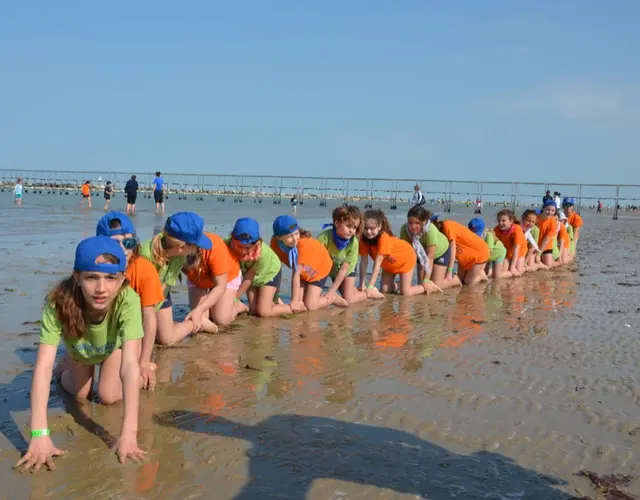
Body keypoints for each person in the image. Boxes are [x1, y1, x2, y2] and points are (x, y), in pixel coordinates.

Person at [15, 236, 146, 471]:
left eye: (110, 278)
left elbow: (129, 366)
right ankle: (67, 366)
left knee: (109, 396)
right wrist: (39, 433)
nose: (101, 288)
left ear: (122, 279)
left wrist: (129, 433)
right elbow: (43, 367)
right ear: (77, 277)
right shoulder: (58, 303)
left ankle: (86, 365)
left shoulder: (129, 300)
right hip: (81, 352)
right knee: (80, 394)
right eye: (92, 277)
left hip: (111, 350)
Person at [96, 212, 165, 390]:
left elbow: (149, 319)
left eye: (128, 242)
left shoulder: (144, 270)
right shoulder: (91, 268)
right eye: (114, 243)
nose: (123, 249)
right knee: (79, 392)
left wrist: (144, 361)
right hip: (103, 331)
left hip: (130, 332)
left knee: (108, 394)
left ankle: (144, 371)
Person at [139, 212, 211, 345]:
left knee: (167, 339)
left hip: (161, 295)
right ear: (181, 247)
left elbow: (165, 287)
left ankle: (194, 323)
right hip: (142, 299)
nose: (197, 249)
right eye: (196, 245)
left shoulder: (179, 257)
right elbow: (140, 295)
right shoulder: (146, 255)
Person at [271, 215, 348, 312]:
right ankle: (312, 295)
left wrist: (294, 301)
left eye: (296, 234)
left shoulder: (303, 245)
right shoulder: (274, 244)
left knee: (310, 306)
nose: (295, 239)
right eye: (290, 236)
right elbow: (276, 269)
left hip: (319, 268)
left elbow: (296, 274)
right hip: (303, 271)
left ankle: (332, 298)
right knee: (300, 304)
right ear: (278, 238)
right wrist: (275, 294)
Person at [359, 209, 441, 296]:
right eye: (366, 228)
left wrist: (370, 286)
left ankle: (427, 286)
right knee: (385, 289)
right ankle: (400, 284)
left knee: (406, 293)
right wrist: (362, 284)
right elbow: (364, 262)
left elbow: (377, 263)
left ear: (379, 226)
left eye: (372, 228)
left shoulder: (383, 238)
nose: (368, 232)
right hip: (389, 264)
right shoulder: (363, 239)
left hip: (406, 259)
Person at [182, 228, 249, 332]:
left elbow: (220, 286)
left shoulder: (216, 248)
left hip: (225, 277)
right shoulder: (176, 249)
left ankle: (237, 306)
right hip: (199, 279)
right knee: (202, 317)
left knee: (221, 319)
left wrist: (199, 310)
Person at [227, 218, 293, 317]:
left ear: (256, 243)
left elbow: (248, 278)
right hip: (251, 276)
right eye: (239, 246)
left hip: (269, 272)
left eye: (248, 248)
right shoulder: (227, 244)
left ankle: (292, 307)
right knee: (254, 310)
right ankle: (272, 301)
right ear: (232, 239)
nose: (243, 251)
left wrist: (235, 298)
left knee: (263, 312)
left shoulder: (261, 254)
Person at [317, 206, 384, 304]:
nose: (352, 230)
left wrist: (331, 291)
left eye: (354, 227)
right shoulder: (324, 237)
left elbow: (344, 270)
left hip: (347, 270)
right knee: (325, 293)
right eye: (348, 226)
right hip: (331, 269)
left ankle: (370, 293)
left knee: (349, 299)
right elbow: (317, 262)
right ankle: (346, 293)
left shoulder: (353, 243)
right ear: (336, 223)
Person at [399, 206, 460, 290]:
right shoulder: (404, 230)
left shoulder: (430, 230)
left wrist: (426, 279)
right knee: (421, 284)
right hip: (421, 252)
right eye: (410, 222)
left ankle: (455, 280)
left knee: (437, 284)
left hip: (440, 252)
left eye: (417, 223)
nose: (413, 226)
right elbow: (406, 254)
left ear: (423, 222)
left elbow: (430, 256)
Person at [432, 215, 490, 285]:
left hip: (479, 252)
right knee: (460, 280)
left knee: (468, 283)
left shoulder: (447, 226)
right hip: (464, 256)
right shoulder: (437, 233)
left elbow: (452, 250)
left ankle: (481, 276)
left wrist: (449, 272)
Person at [493, 209, 527, 276]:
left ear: (511, 221)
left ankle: (525, 268)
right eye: (499, 220)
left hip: (520, 251)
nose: (500, 223)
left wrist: (512, 267)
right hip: (508, 252)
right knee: (503, 270)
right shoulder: (496, 229)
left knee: (518, 270)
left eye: (503, 221)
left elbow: (516, 249)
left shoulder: (517, 229)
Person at [537, 200, 559, 268]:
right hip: (535, 245)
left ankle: (558, 262)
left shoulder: (553, 222)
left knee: (548, 266)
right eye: (548, 209)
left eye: (552, 210)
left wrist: (539, 254)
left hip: (546, 247)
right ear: (543, 208)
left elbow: (547, 239)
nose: (550, 212)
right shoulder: (536, 218)